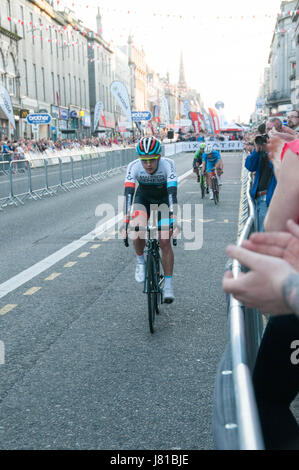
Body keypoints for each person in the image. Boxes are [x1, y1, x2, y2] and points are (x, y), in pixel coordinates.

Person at [122, 136, 178, 304]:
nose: (148, 164)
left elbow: (172, 194)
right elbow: (129, 195)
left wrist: (173, 218)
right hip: (143, 197)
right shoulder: (133, 166)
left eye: (152, 160)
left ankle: (168, 285)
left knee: (164, 240)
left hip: (163, 199)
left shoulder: (168, 165)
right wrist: (126, 222)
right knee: (137, 228)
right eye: (144, 160)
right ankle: (140, 261)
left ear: (159, 157)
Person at [245, 136, 276, 232]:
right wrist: (256, 151)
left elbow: (276, 168)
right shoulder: (260, 154)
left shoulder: (276, 154)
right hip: (257, 198)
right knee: (258, 231)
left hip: (268, 198)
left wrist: (269, 151)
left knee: (262, 234)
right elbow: (250, 166)